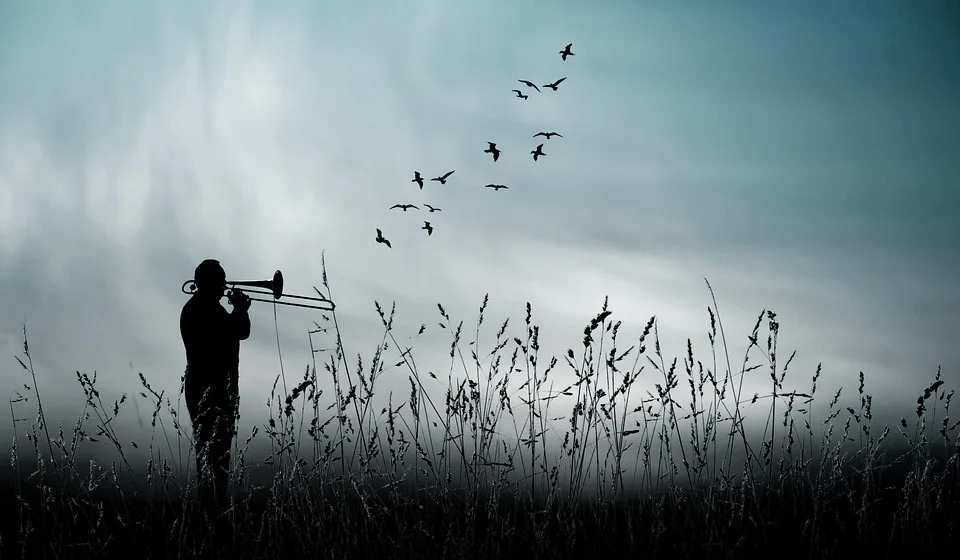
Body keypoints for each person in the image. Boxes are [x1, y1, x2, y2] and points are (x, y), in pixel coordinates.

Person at [180, 259, 251, 517]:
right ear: (207, 282)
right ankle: (213, 511)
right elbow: (239, 331)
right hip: (210, 389)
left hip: (210, 387)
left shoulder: (204, 307)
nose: (224, 285)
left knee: (214, 454)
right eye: (219, 279)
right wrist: (241, 309)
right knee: (215, 453)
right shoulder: (204, 309)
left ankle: (213, 507)